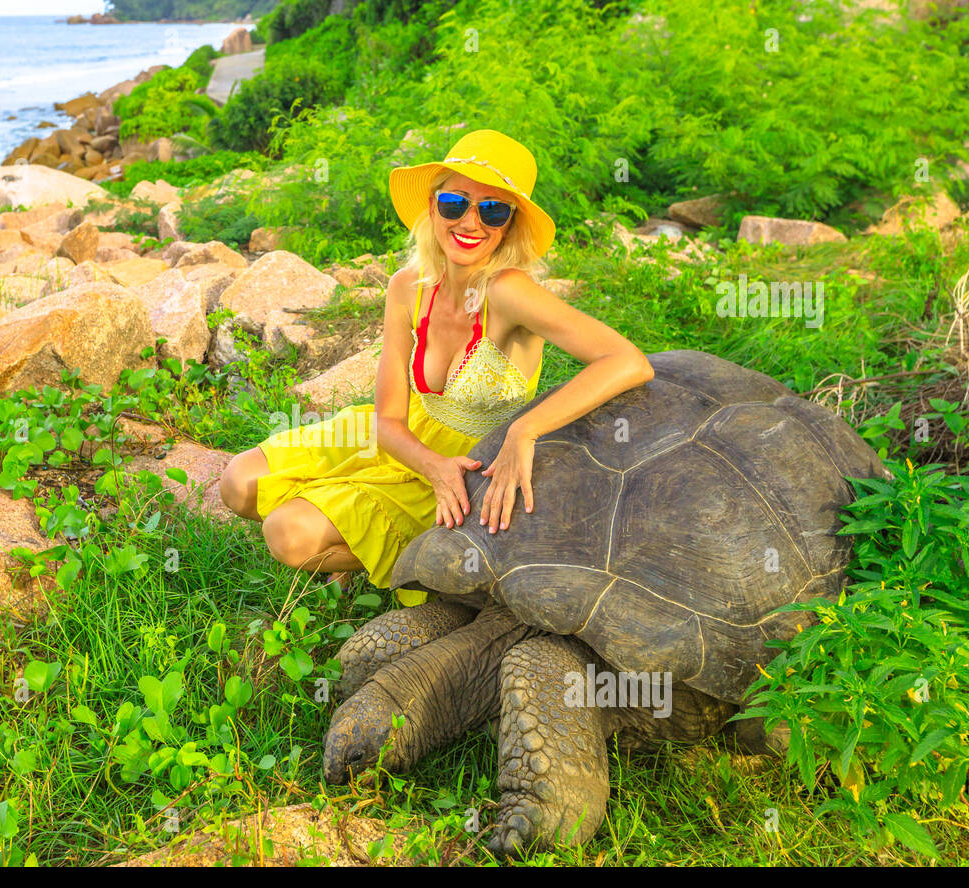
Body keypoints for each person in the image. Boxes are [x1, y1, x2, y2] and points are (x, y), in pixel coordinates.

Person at [218, 128, 655, 605]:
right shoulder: (407, 287)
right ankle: (351, 529)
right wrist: (429, 464)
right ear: (432, 206)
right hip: (404, 440)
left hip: (468, 467)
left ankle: (410, 559)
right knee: (237, 484)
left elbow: (627, 361)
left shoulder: (508, 292)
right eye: (455, 203)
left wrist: (525, 430)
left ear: (509, 224)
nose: (471, 222)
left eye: (493, 209)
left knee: (289, 535)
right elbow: (386, 420)